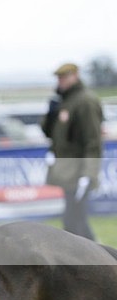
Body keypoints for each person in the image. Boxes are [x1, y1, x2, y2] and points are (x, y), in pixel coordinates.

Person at [42, 62, 103, 240]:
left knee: (76, 221)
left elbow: (92, 141)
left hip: (79, 171)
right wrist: (50, 116)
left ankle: (97, 255)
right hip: (67, 171)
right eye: (59, 78)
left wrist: (88, 174)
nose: (60, 81)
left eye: (64, 77)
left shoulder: (85, 101)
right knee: (72, 221)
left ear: (75, 76)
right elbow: (51, 134)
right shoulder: (65, 101)